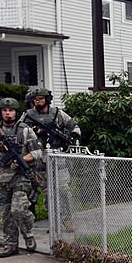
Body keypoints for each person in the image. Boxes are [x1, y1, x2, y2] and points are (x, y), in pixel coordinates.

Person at [0, 98, 43, 258]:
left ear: (16, 112)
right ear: (1, 112)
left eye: (11, 110)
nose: (8, 113)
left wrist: (20, 160)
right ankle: (10, 245)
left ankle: (28, 235)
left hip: (20, 177)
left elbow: (37, 152)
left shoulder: (25, 130)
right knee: (6, 214)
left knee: (19, 210)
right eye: (5, 110)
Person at [20, 87, 81, 232]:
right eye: (35, 99)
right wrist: (34, 132)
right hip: (39, 160)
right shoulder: (28, 116)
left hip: (58, 158)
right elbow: (19, 132)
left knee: (64, 190)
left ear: (47, 99)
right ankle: (54, 222)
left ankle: (68, 220)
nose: (38, 101)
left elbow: (75, 128)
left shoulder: (58, 114)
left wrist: (70, 139)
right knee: (48, 195)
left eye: (40, 98)